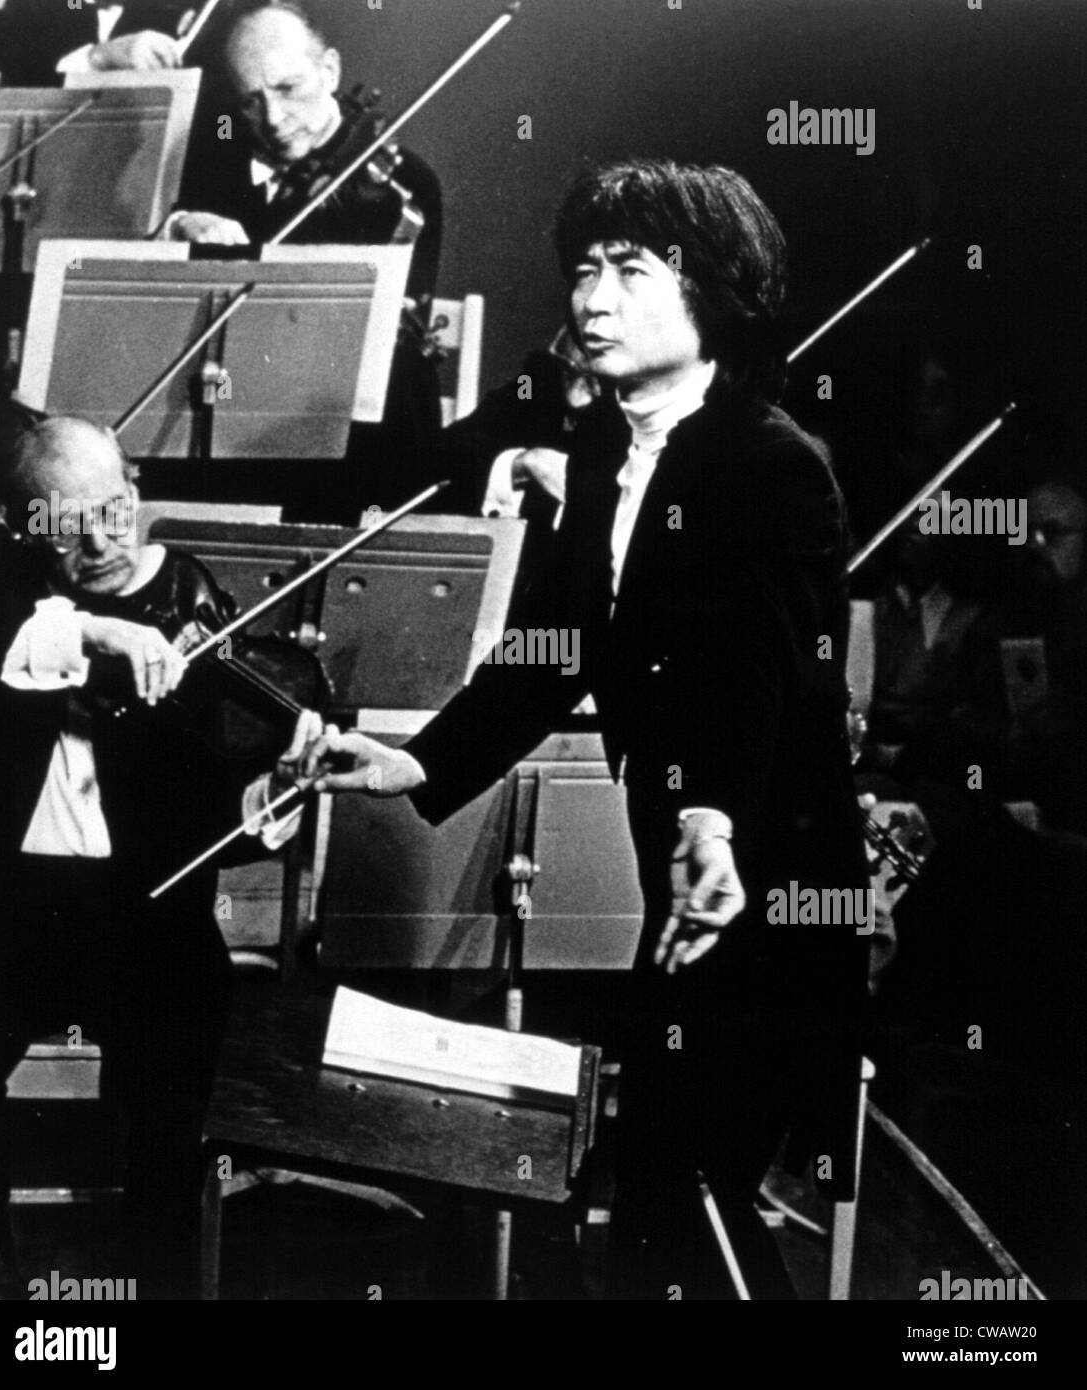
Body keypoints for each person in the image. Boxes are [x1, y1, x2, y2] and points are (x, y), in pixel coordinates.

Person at [303, 160, 870, 1299]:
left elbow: (769, 681)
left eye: (628, 271)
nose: (590, 300)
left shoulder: (773, 464)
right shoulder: (606, 453)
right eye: (582, 271)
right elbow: (549, 650)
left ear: (708, 289)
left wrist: (715, 823)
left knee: (692, 1192)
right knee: (662, 1198)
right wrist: (419, 756)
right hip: (682, 873)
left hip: (769, 884)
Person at [0, 416, 327, 1297]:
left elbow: (235, 793)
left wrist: (275, 786)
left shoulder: (192, 595)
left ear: (133, 491)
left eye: (113, 513)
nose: (99, 545)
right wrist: (96, 632)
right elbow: (15, 642)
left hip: (150, 908)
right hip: (15, 901)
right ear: (23, 525)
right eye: (66, 527)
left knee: (167, 1128)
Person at [168, 2, 443, 521]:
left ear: (331, 70)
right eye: (251, 101)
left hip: (338, 424)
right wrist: (180, 227)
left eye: (288, 88)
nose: (272, 119)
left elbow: (387, 344)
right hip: (228, 415)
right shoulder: (213, 165)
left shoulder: (401, 185)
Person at [0, 1, 215, 86]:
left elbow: (220, 128)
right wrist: (97, 58)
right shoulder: (26, 10)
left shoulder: (167, 16)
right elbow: (5, 91)